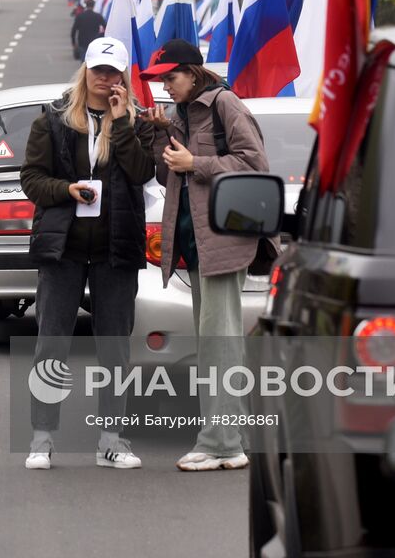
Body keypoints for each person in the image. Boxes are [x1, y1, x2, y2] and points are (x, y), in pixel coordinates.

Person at [20, 37, 157, 471]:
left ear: (123, 77)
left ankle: (112, 439)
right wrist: (66, 190)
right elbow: (31, 179)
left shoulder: (135, 121)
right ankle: (41, 439)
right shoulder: (55, 120)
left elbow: (141, 173)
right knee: (52, 344)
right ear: (85, 71)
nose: (104, 78)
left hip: (116, 252)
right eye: (98, 70)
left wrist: (123, 124)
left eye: (113, 72)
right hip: (63, 251)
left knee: (115, 348)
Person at [140, 39, 277, 472]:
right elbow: (168, 173)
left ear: (194, 73)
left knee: (220, 344)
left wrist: (195, 162)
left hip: (223, 240)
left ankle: (222, 444)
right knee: (215, 344)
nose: (166, 86)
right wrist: (161, 134)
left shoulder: (226, 104)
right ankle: (227, 439)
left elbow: (255, 164)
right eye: (161, 80)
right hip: (196, 244)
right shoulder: (182, 115)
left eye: (171, 77)